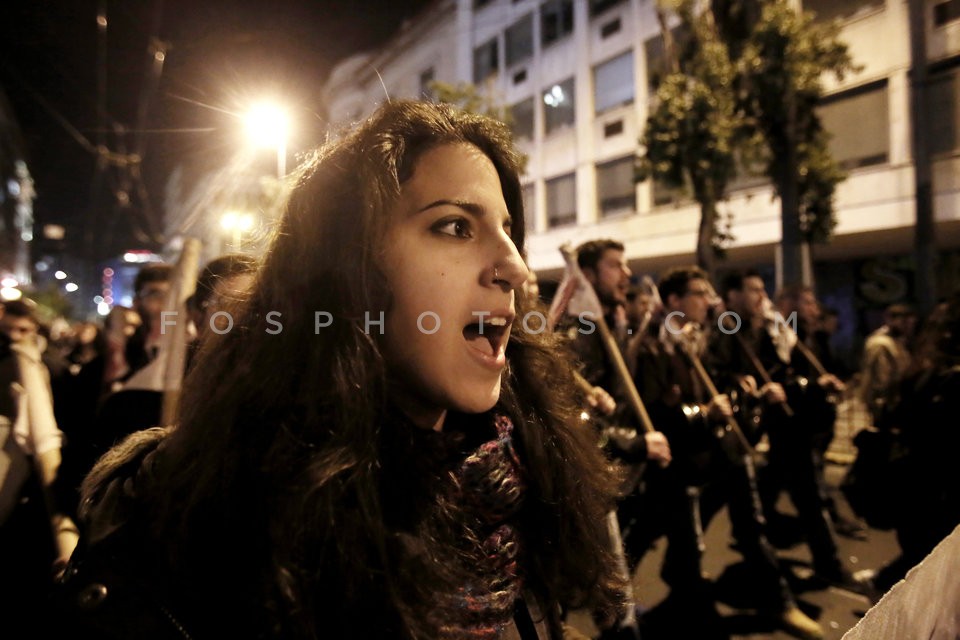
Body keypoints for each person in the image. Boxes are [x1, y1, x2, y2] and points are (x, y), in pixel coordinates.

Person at [55, 100, 624, 639]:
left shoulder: (514, 493)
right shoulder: (192, 525)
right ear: (346, 269)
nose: (515, 268)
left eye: (507, 231)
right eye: (455, 226)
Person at [631, 267, 822, 639]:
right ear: (673, 301)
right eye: (699, 293)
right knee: (662, 537)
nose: (709, 300)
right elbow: (654, 411)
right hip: (683, 463)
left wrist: (738, 388)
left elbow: (721, 377)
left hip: (724, 452)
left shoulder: (705, 337)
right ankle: (615, 609)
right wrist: (703, 413)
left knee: (751, 524)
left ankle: (778, 602)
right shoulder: (653, 345)